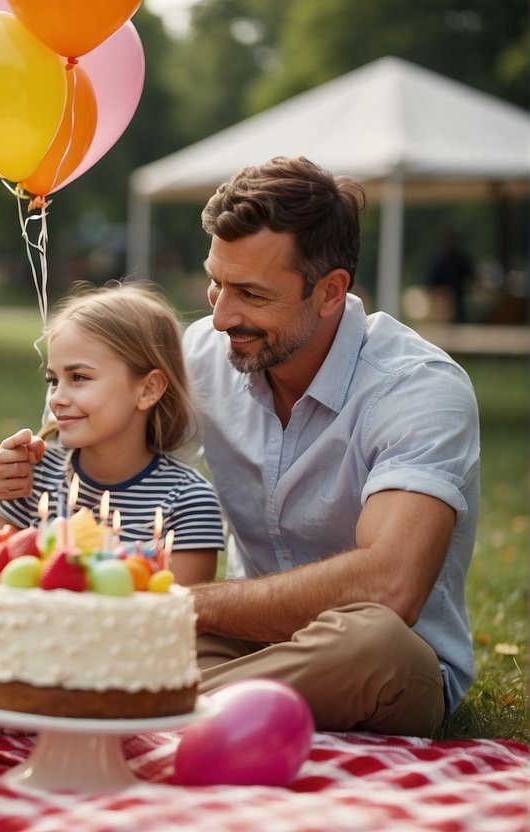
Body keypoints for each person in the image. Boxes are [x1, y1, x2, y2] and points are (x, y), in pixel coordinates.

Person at [183, 156, 479, 736]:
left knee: (370, 641)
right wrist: (30, 475)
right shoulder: (203, 353)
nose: (220, 316)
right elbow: (106, 474)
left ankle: (128, 698)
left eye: (250, 293)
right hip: (237, 646)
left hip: (371, 664)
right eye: (215, 282)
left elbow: (389, 586)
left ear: (330, 292)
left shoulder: (419, 388)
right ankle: (191, 702)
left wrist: (181, 605)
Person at [0, 282, 225, 655]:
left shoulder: (188, 500)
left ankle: (15, 692)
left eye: (79, 378)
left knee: (210, 656)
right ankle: (12, 684)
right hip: (24, 639)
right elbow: (2, 590)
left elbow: (172, 626)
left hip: (123, 659)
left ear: (148, 390)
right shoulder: (36, 472)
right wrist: (6, 501)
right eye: (53, 380)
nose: (57, 398)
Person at [425, 226, 474, 323]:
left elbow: (471, 276)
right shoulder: (437, 260)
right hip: (441, 304)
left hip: (457, 302)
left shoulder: (460, 259)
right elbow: (430, 285)